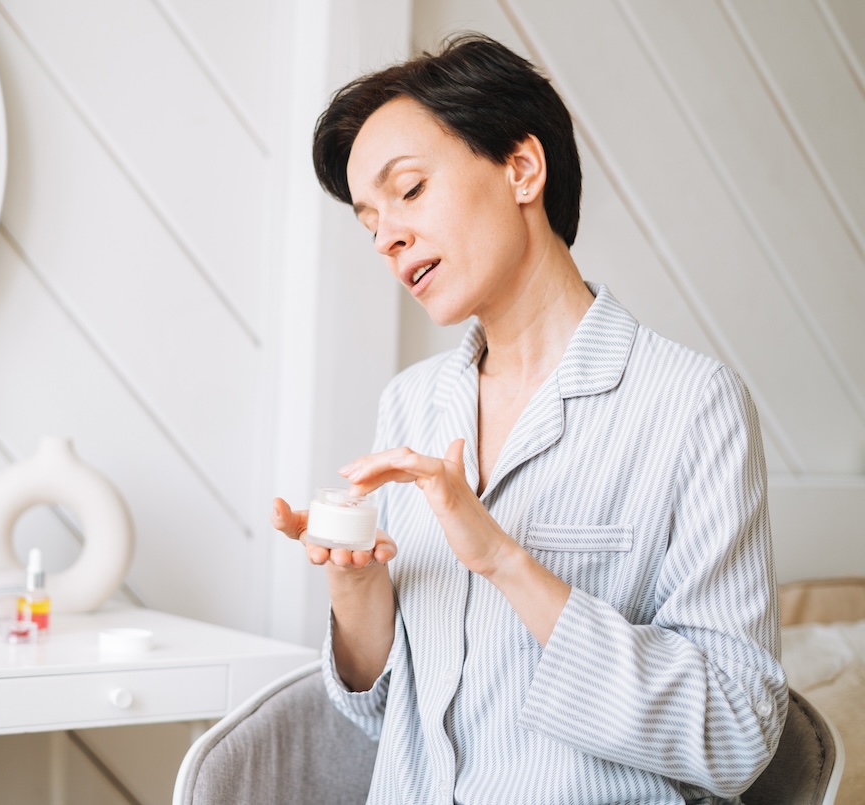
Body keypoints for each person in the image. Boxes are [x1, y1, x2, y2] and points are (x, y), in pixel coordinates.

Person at [271, 33, 787, 804]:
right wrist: (357, 587)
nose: (386, 236)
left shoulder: (691, 406)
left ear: (521, 168)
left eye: (408, 190)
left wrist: (505, 560)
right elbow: (379, 711)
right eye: (369, 218)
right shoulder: (411, 403)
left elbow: (738, 731)